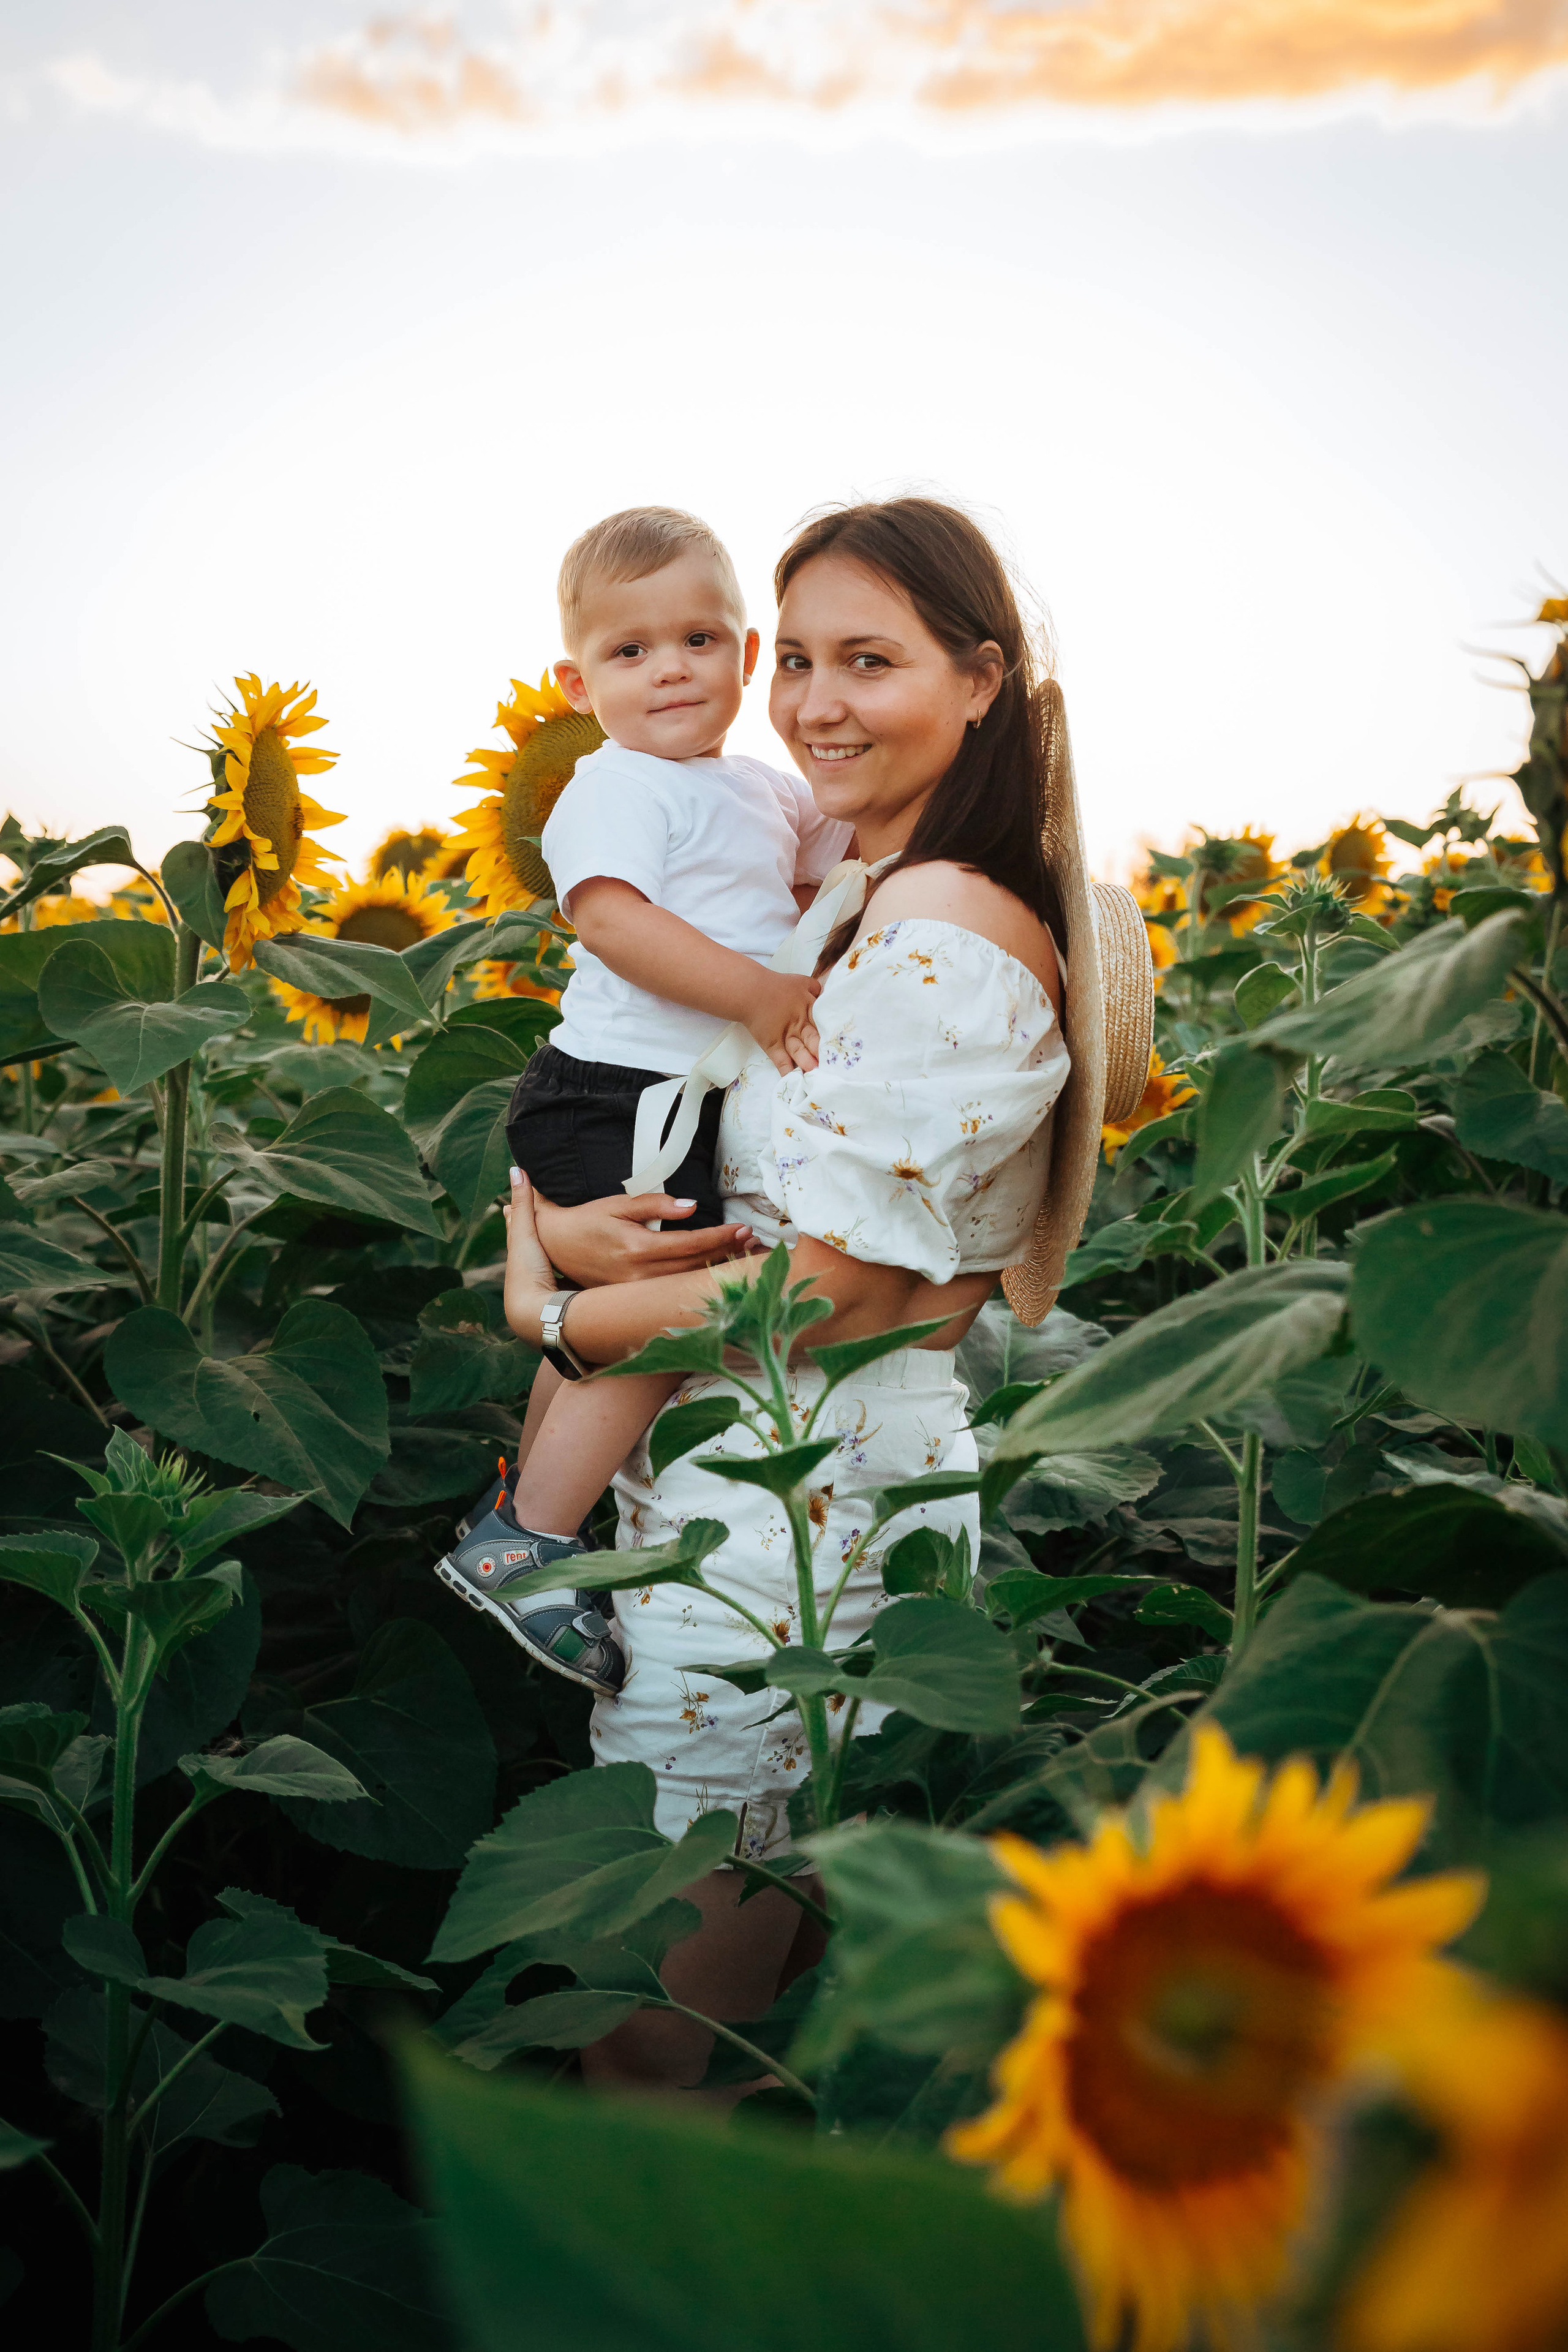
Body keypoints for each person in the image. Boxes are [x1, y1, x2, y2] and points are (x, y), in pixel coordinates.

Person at [499, 496, 1152, 2093]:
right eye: (796, 658)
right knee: (737, 1993)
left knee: (667, 2042)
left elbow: (826, 1294)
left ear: (983, 679)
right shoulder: (868, 896)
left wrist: (558, 1316)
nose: (809, 702)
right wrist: (566, 1235)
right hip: (739, 1500)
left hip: (794, 1529)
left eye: (870, 659)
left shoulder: (943, 938)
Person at [433, 507, 853, 1695]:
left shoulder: (757, 789)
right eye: (629, 653)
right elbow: (610, 921)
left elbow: (843, 856)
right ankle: (533, 1546)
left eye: (698, 640)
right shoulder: (613, 788)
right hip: (613, 1094)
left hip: (665, 1096)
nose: (669, 668)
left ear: (747, 656)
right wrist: (765, 998)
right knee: (655, 1322)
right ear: (576, 683)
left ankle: (525, 1513)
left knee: (615, 1309)